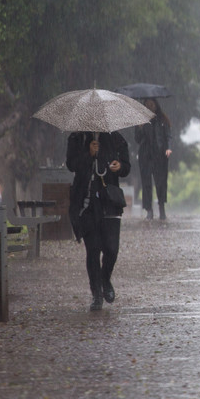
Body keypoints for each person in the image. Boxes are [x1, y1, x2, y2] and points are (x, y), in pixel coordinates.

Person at [67, 131, 131, 311]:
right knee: (93, 250)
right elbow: (71, 165)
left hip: (109, 203)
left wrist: (120, 167)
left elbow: (126, 167)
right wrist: (88, 154)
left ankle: (105, 279)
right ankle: (96, 293)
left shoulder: (116, 138)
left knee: (111, 249)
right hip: (86, 205)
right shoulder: (77, 138)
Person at [134, 99, 172, 220]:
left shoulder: (162, 120)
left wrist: (168, 148)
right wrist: (140, 127)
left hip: (159, 155)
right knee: (146, 183)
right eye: (147, 104)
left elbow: (168, 136)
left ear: (156, 105)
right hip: (145, 155)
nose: (149, 106)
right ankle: (148, 209)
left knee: (160, 182)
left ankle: (161, 207)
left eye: (151, 104)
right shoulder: (140, 120)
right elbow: (137, 139)